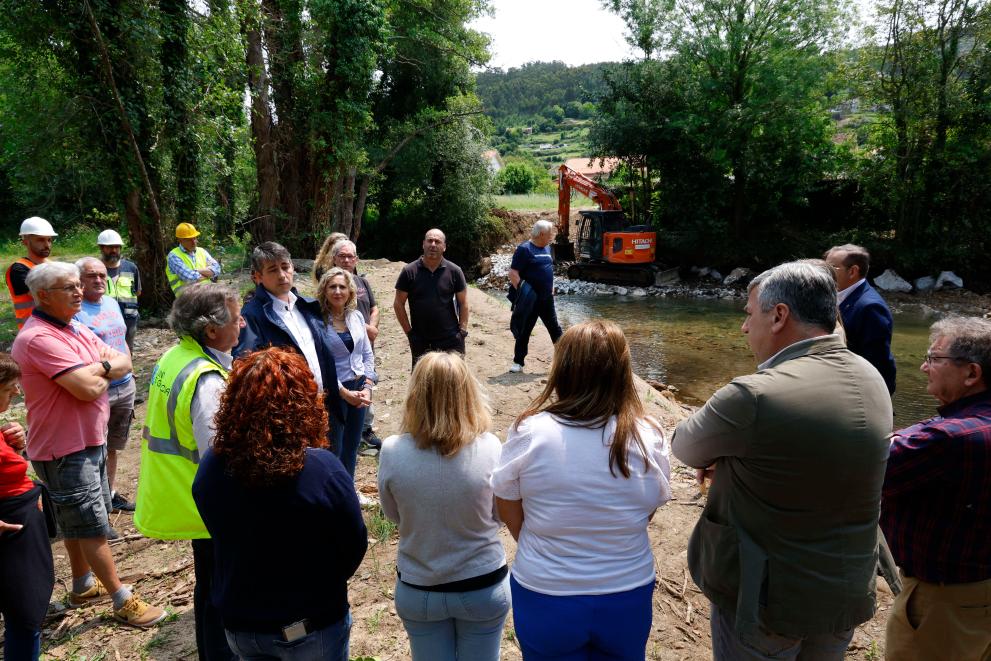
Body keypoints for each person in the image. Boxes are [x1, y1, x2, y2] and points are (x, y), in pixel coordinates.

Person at [672, 261, 892, 660]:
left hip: (767, 600)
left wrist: (731, 460)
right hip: (845, 590)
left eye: (749, 314)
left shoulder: (753, 396)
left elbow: (685, 447)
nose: (743, 327)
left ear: (778, 316)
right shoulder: (870, 376)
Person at [492, 319, 672, 661]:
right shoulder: (648, 433)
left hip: (546, 591)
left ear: (564, 370)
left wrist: (542, 538)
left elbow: (507, 504)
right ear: (621, 372)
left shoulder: (530, 430)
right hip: (626, 592)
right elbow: (646, 509)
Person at [11, 262, 164, 628]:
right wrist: (102, 368)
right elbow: (88, 388)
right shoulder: (38, 338)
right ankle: (121, 599)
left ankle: (81, 585)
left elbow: (124, 360)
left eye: (79, 285)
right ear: (43, 295)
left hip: (87, 439)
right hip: (64, 449)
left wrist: (97, 368)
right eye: (69, 287)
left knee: (76, 521)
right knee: (92, 524)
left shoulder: (73, 326)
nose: (79, 292)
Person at [193, 347, 368, 661]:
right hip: (311, 623)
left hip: (242, 625)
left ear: (234, 402)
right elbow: (354, 543)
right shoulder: (322, 470)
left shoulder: (211, 467)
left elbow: (217, 531)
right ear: (304, 403)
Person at [135, 283, 243, 660]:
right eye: (236, 317)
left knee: (208, 585)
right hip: (207, 505)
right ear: (211, 330)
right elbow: (221, 458)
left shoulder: (173, 357)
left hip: (183, 495)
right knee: (222, 593)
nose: (242, 323)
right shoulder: (208, 381)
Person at [379, 352, 509, 661]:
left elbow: (392, 514)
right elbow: (499, 515)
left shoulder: (392, 450)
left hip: (421, 585)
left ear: (416, 394)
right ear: (468, 393)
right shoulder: (491, 446)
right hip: (482, 584)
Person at [880, 316, 991, 660]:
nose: (925, 367)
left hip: (942, 602)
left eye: (934, 359)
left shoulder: (946, 440)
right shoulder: (964, 428)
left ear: (972, 374)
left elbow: (855, 469)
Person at [234, 242, 344, 441]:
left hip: (324, 406)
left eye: (285, 267)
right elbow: (248, 371)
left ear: (293, 267)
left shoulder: (307, 307)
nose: (282, 275)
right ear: (257, 277)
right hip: (290, 417)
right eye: (273, 270)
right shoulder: (252, 316)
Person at [0, 354, 55, 661]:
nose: (18, 393)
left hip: (19, 527)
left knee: (25, 614)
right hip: (10, 531)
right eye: (9, 388)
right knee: (23, 616)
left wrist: (13, 447)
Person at [73, 257, 136, 514]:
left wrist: (129, 372)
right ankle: (96, 505)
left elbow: (122, 339)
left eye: (101, 275)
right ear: (79, 281)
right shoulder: (75, 311)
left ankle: (109, 495)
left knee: (113, 446)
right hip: (99, 390)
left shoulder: (110, 302)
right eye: (91, 276)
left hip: (124, 385)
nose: (99, 280)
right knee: (94, 447)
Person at [316, 268, 375, 488]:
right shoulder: (318, 322)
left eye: (342, 286)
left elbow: (367, 354)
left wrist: (368, 385)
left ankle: (347, 491)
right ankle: (332, 494)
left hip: (360, 387)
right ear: (324, 290)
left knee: (352, 446)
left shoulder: (356, 316)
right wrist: (343, 392)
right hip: (335, 391)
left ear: (350, 291)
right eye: (333, 286)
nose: (338, 291)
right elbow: (320, 365)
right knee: (334, 447)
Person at [823, 244, 897, 393]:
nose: (824, 272)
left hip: (859, 391)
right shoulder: (837, 294)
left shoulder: (870, 307)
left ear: (853, 271)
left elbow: (878, 362)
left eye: (831, 267)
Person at [394, 229, 469, 368]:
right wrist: (410, 333)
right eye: (429, 240)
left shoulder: (455, 271)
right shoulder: (409, 271)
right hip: (421, 340)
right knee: (423, 384)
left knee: (453, 382)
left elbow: (463, 303)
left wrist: (462, 332)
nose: (433, 244)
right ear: (423, 244)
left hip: (451, 339)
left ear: (444, 247)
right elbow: (398, 304)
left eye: (437, 241)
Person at [332, 239, 382, 449]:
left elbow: (374, 308)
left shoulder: (362, 282)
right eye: (341, 256)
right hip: (341, 347)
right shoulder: (331, 281)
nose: (346, 260)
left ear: (356, 259)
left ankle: (364, 430)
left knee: (366, 386)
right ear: (334, 259)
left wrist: (371, 327)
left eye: (350, 256)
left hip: (364, 346)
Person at [508, 220, 562, 373]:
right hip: (530, 300)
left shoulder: (548, 248)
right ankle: (518, 362)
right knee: (525, 330)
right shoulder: (524, 249)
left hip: (546, 298)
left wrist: (551, 287)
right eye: (550, 233)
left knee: (555, 329)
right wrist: (524, 292)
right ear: (542, 234)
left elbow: (549, 269)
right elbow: (513, 273)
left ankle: (566, 359)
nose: (552, 236)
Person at [5, 216, 57, 330]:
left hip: (56, 326)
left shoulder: (53, 265)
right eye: (40, 240)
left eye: (49, 240)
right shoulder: (18, 269)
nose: (47, 245)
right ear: (25, 241)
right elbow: (48, 297)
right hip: (33, 331)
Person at [97, 229, 142, 352]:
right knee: (106, 352)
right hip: (104, 320)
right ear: (101, 248)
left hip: (129, 319)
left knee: (128, 351)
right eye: (110, 247)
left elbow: (137, 292)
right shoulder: (95, 269)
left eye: (117, 247)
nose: (114, 250)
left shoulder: (131, 267)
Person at [166, 222, 221, 296]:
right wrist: (209, 273)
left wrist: (196, 270)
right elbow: (191, 279)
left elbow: (217, 269)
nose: (194, 242)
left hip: (208, 295)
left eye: (194, 238)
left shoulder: (201, 251)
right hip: (188, 300)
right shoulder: (173, 256)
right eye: (189, 239)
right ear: (180, 240)